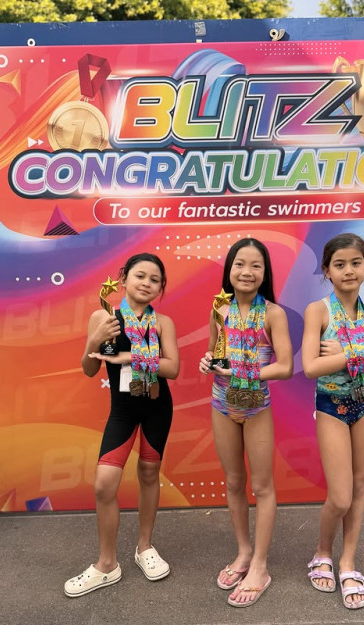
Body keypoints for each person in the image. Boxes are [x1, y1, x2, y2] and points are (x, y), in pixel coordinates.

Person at [64, 253, 179, 597]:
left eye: (155, 279)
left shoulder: (163, 323)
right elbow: (89, 369)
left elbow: (172, 368)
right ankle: (107, 565)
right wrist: (94, 340)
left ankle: (145, 547)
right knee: (104, 484)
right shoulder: (103, 316)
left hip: (158, 407)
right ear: (123, 279)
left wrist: (130, 356)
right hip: (123, 411)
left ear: (160, 287)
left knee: (149, 473)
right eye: (140, 275)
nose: (146, 283)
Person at [301, 233, 364, 610]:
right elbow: (312, 366)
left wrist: (347, 351)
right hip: (331, 406)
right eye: (339, 264)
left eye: (356, 263)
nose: (348, 270)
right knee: (339, 495)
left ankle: (347, 563)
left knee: (358, 487)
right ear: (327, 270)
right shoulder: (318, 311)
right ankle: (323, 551)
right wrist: (363, 353)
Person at [199, 237, 293, 608]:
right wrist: (208, 361)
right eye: (240, 264)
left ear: (265, 273)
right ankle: (243, 552)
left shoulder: (273, 313)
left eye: (256, 265)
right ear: (229, 269)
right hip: (222, 404)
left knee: (262, 486)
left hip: (257, 408)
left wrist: (243, 371)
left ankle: (260, 567)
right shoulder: (218, 308)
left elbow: (285, 366)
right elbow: (214, 352)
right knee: (234, 482)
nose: (247, 272)